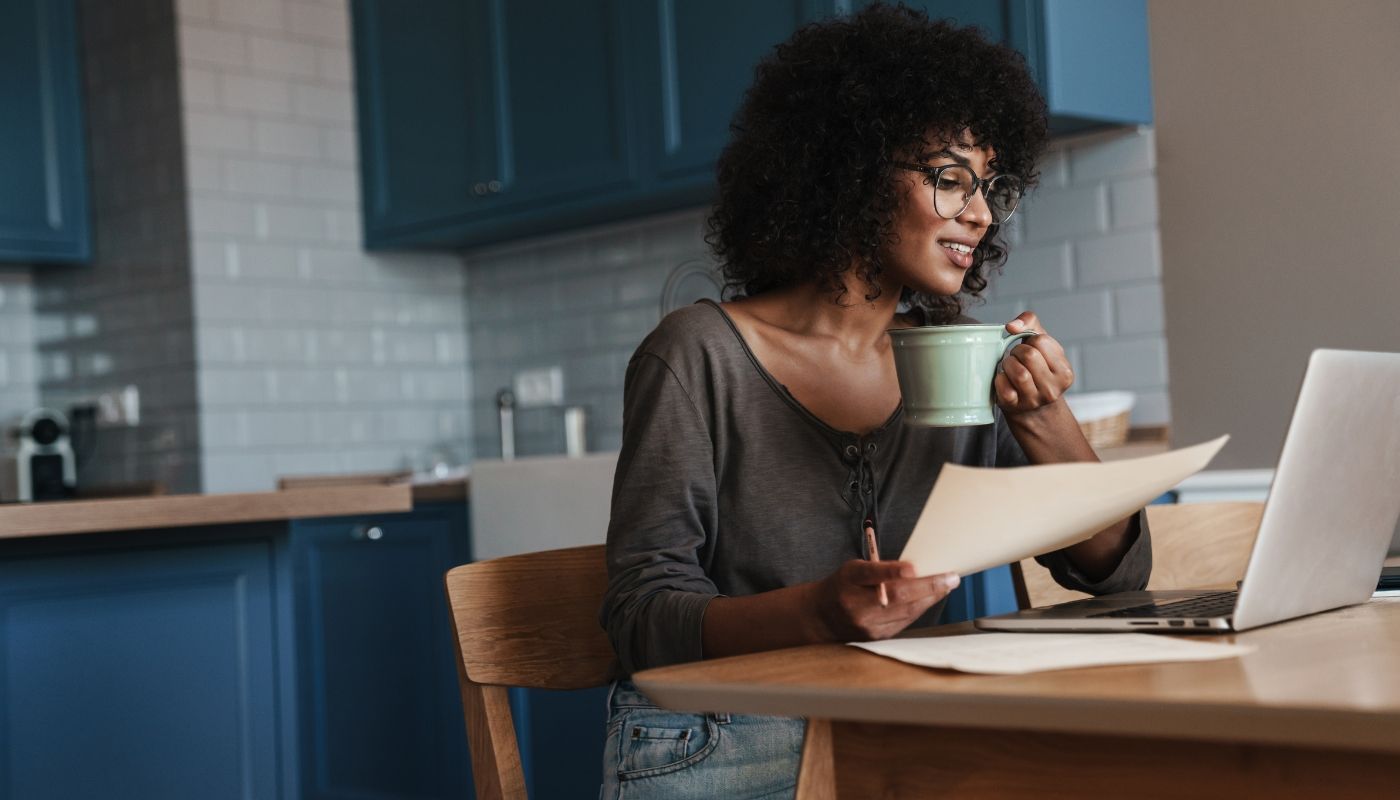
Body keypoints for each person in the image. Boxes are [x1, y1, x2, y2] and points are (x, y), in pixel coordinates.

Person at [597, 4, 1152, 798]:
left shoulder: (955, 356)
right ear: (849, 171)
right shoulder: (697, 354)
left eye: (990, 186)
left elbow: (1111, 572)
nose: (983, 213)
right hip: (718, 742)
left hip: (902, 736)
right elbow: (641, 616)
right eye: (951, 178)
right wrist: (819, 614)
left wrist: (1042, 418)